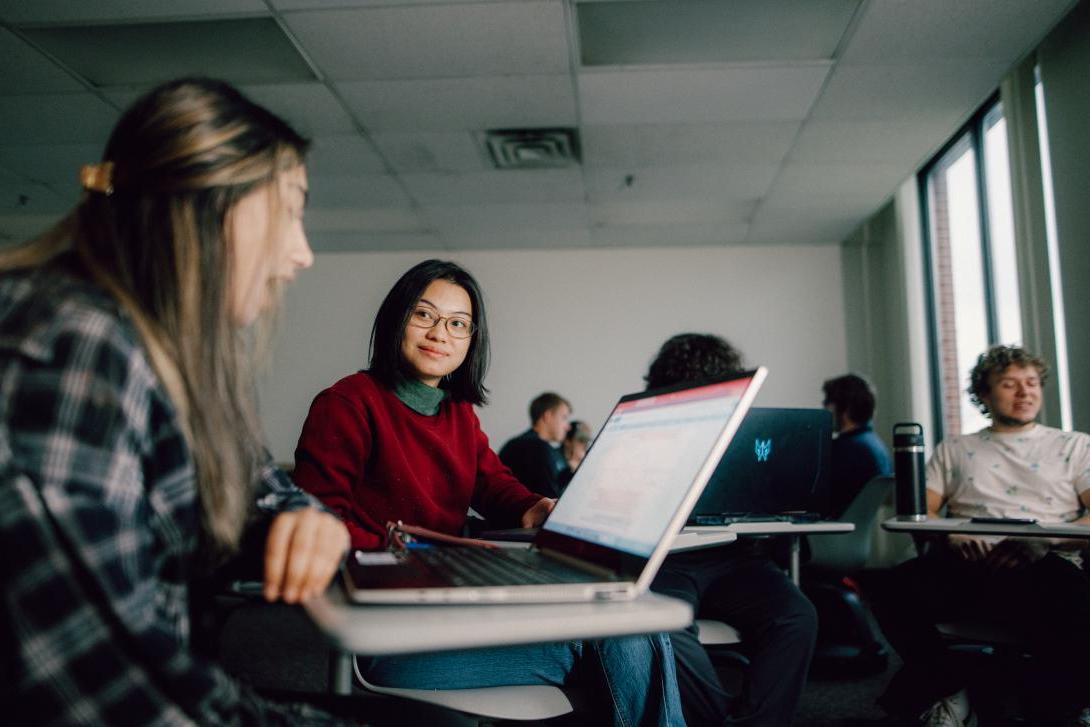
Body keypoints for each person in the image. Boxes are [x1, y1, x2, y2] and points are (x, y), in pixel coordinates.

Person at [0, 78, 356, 724]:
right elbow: (99, 688)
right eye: (291, 208)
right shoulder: (72, 351)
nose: (303, 253)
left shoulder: (163, 353)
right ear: (208, 203)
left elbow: (254, 482)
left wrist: (302, 519)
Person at [292, 259, 685, 726]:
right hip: (391, 631)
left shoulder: (458, 413)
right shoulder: (347, 404)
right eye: (424, 315)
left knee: (634, 626)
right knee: (622, 638)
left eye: (458, 324)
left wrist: (535, 506)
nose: (440, 333)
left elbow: (491, 482)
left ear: (471, 341)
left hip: (456, 605)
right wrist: (418, 552)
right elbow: (320, 523)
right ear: (396, 319)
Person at [872, 345, 1090, 727]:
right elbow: (923, 512)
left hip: (1044, 564)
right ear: (985, 395)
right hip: (967, 563)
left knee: (1077, 602)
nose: (1025, 393)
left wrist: (1045, 541)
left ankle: (1061, 707)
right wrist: (949, 536)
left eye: (1032, 383)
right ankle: (949, 688)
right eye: (1009, 384)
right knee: (890, 589)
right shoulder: (956, 449)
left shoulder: (1074, 446)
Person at [644, 333, 818, 727]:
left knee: (797, 617)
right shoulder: (646, 433)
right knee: (662, 626)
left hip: (734, 560)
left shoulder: (744, 438)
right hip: (665, 560)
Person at [822, 373, 893, 517]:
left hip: (829, 533)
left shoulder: (845, 451)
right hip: (858, 535)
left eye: (828, 402)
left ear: (845, 408)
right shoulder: (875, 445)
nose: (824, 407)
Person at [499, 392, 577, 498]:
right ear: (547, 416)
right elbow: (552, 501)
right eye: (564, 417)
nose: (567, 427)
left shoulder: (522, 444)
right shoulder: (535, 448)